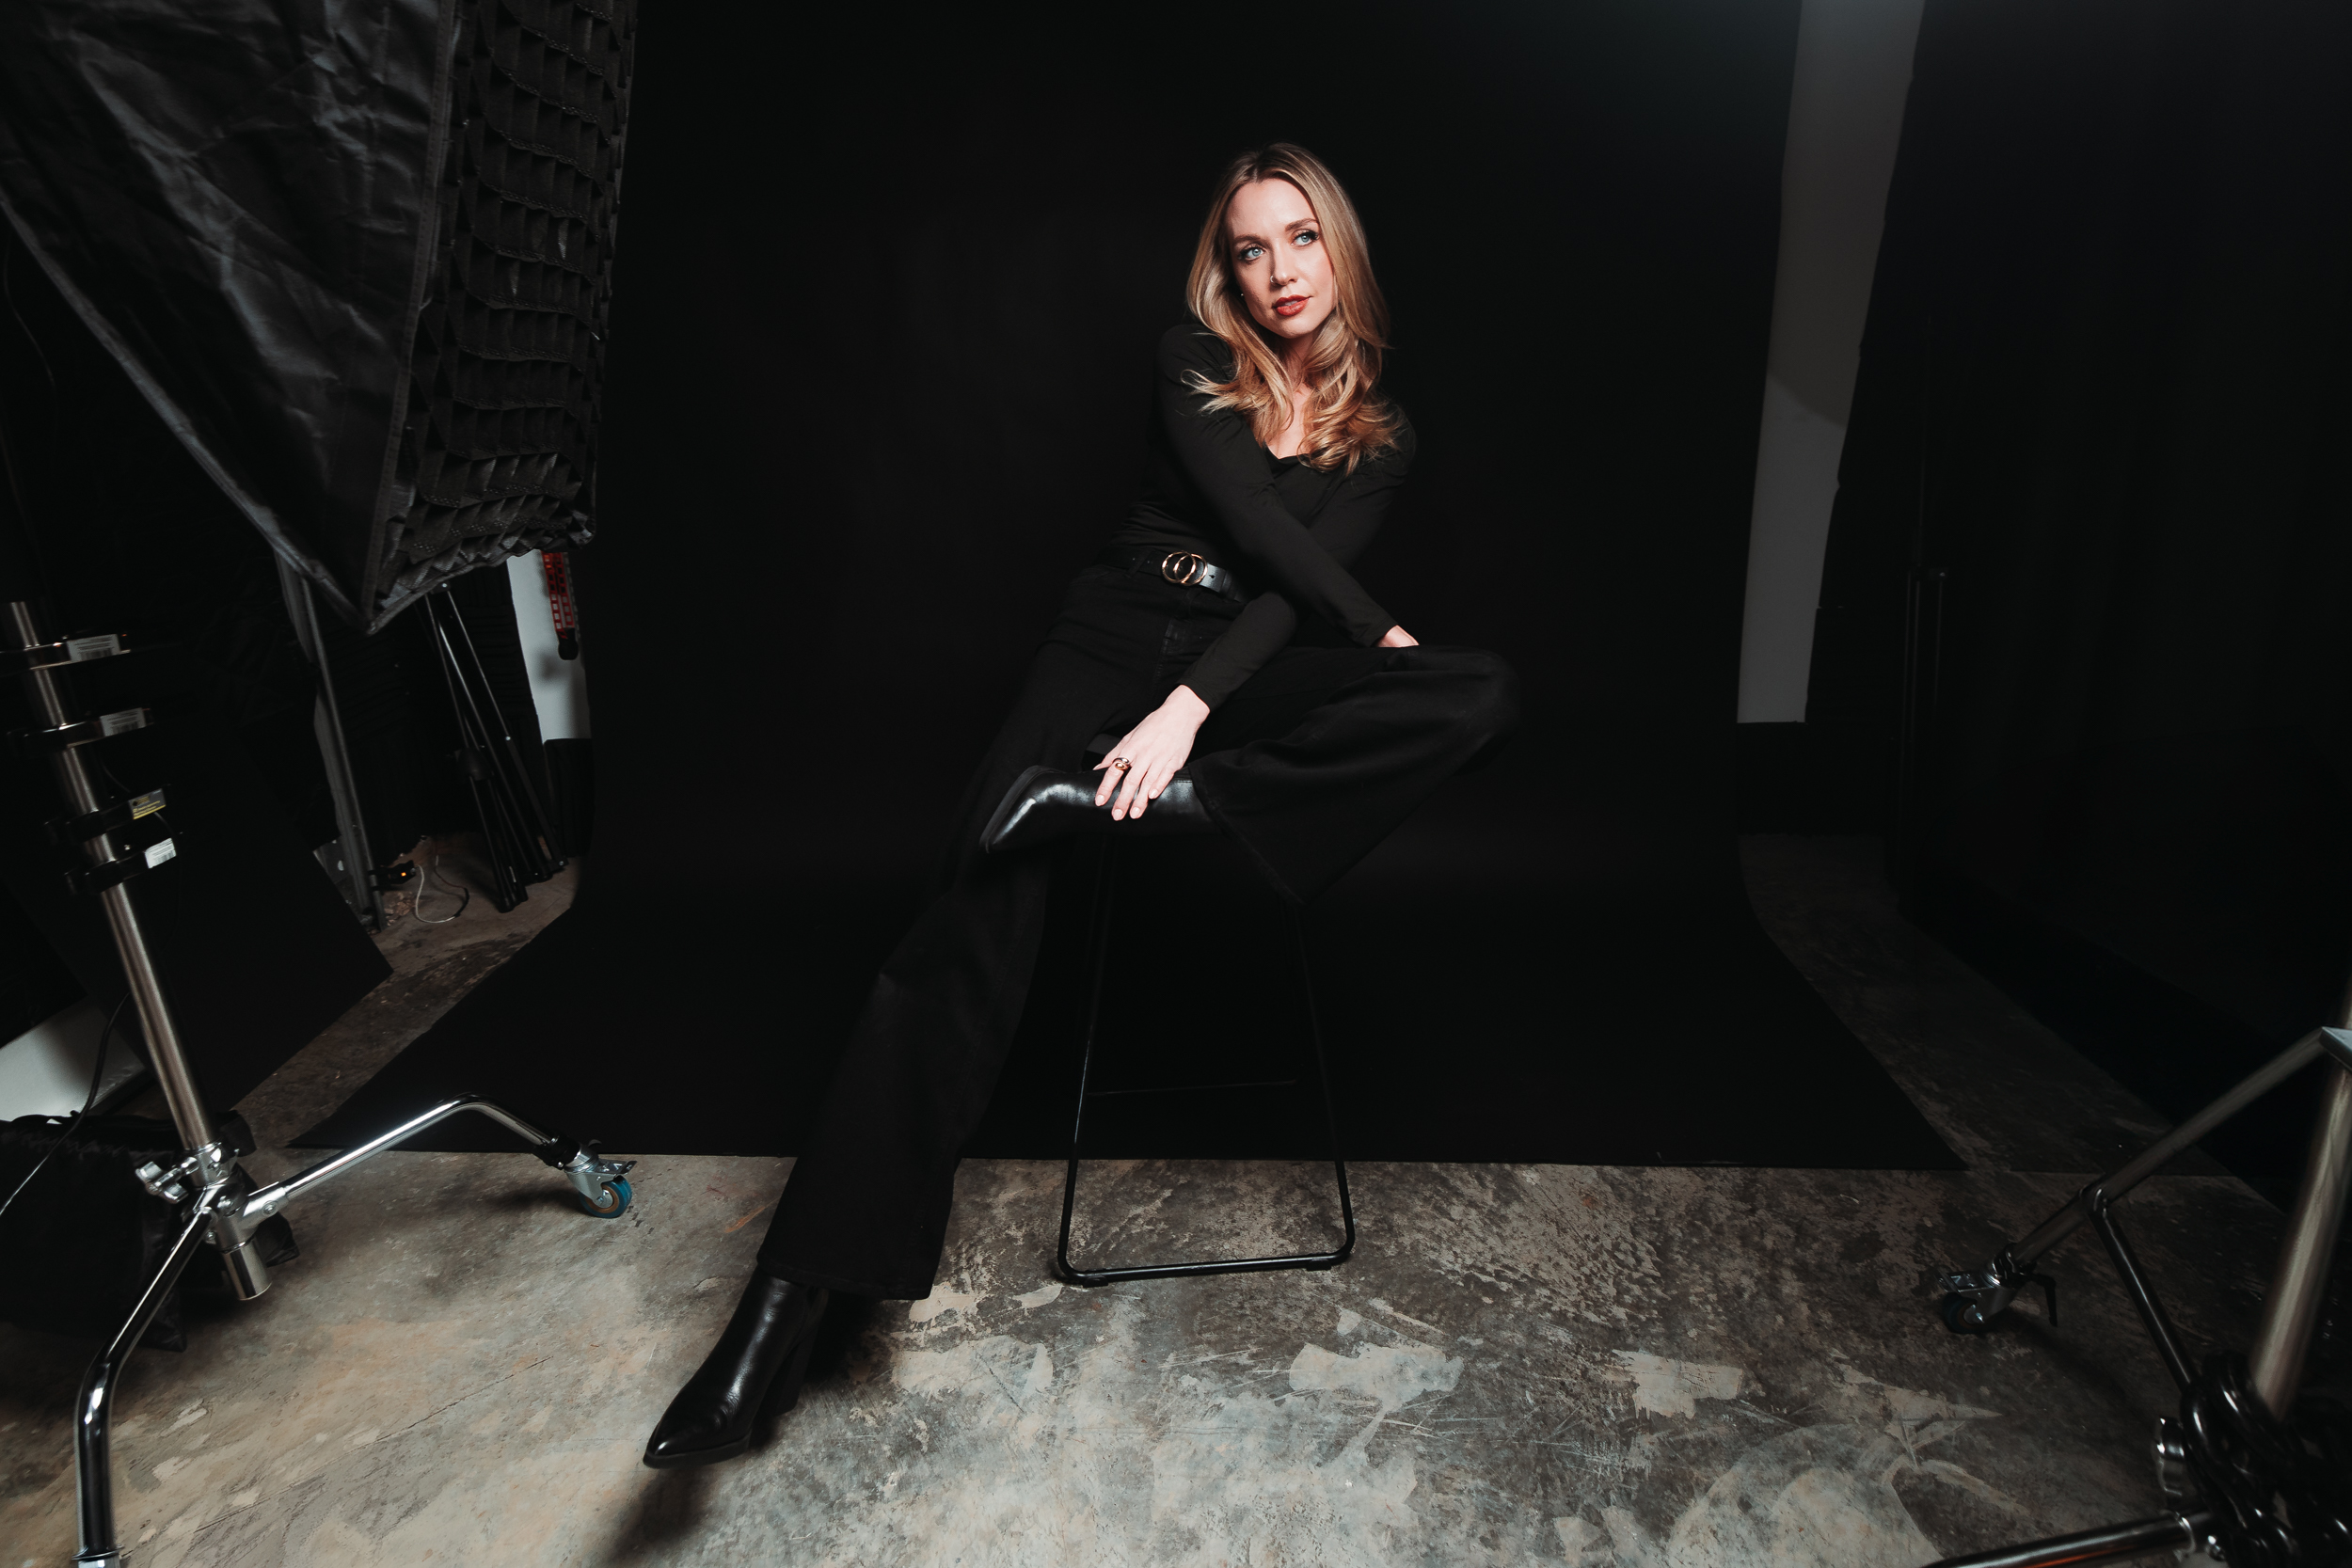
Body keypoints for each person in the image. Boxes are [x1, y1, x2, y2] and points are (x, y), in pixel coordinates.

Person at [642, 143, 1518, 1468]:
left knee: (1480, 691)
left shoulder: (1379, 435)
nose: (1279, 271)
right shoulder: (1192, 358)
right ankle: (781, 1313)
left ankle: (1180, 806)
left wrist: (1197, 714)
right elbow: (1256, 530)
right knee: (960, 925)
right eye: (1250, 248)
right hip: (1113, 638)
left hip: (1237, 666)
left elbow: (1287, 595)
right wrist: (1353, 638)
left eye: (1300, 238)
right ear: (1224, 269)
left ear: (1339, 247)